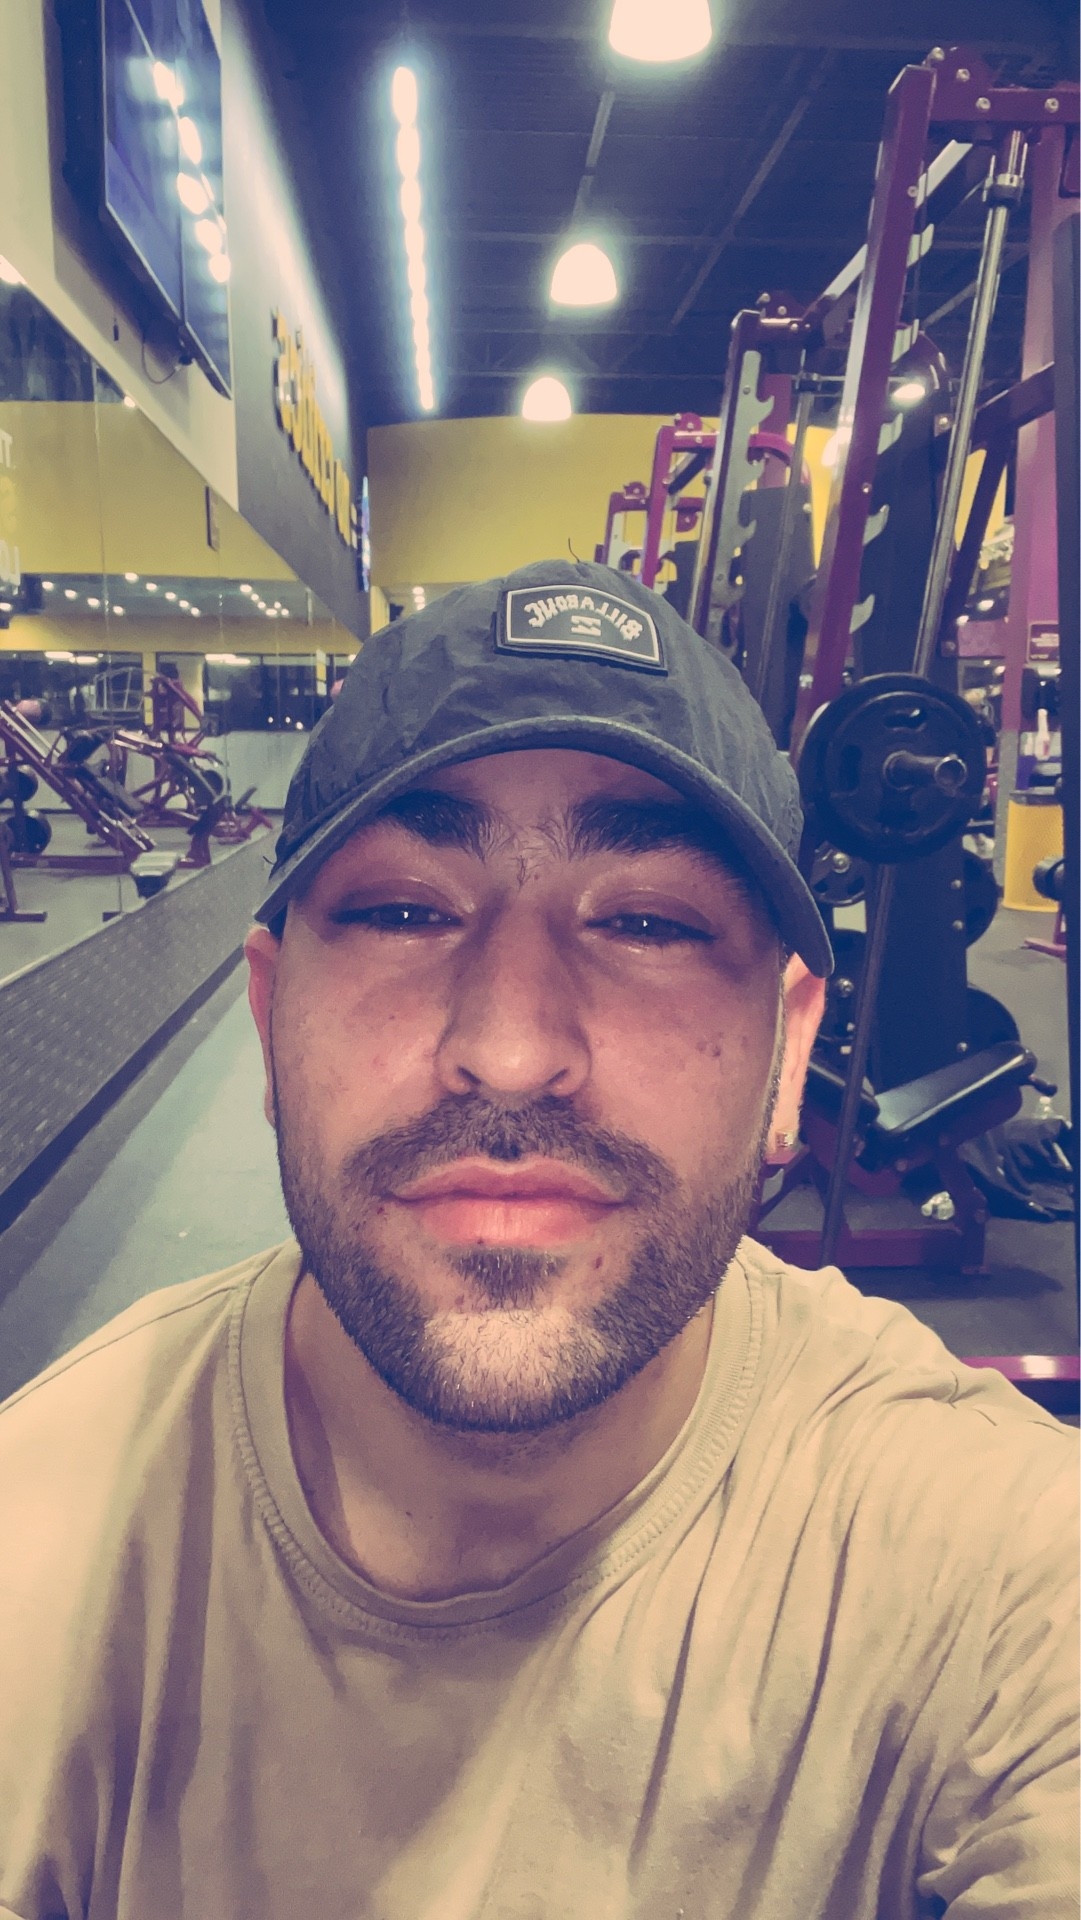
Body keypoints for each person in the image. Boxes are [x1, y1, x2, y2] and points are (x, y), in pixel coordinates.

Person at [0, 559, 1076, 1919]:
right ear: (270, 1023)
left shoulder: (994, 1555)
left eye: (648, 923)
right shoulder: (44, 1537)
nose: (508, 1049)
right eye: (404, 911)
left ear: (788, 1050)